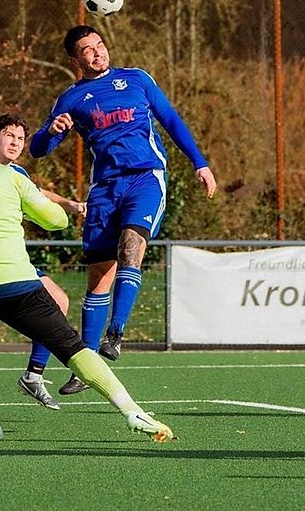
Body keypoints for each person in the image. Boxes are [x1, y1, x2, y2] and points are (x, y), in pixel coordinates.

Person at [0, 113, 174, 442]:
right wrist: (27, 209)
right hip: (15, 283)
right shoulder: (10, 176)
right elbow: (56, 221)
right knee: (72, 348)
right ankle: (132, 411)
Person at [29, 25, 216, 395]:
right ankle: (86, 364)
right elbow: (37, 149)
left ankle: (116, 333)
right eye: (87, 49)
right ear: (74, 60)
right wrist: (52, 131)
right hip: (104, 189)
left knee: (132, 244)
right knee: (99, 275)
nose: (97, 52)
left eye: (100, 45)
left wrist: (200, 162)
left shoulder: (136, 79)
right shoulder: (71, 98)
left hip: (145, 178)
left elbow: (172, 121)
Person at [0, 113, 86, 409]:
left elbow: (40, 194)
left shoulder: (18, 174)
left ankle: (33, 374)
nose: (16, 142)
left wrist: (68, 204)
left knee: (58, 301)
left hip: (13, 261)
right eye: (9, 135)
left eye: (20, 138)